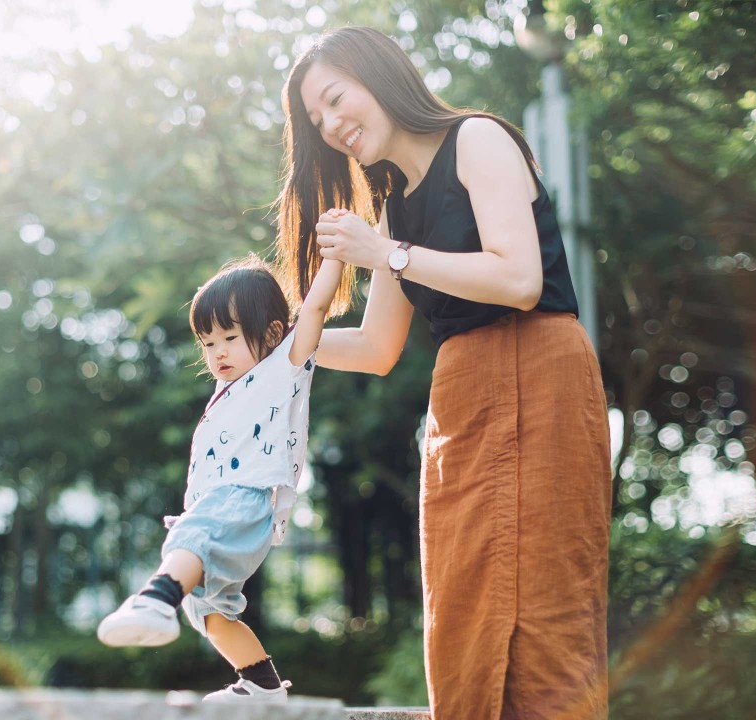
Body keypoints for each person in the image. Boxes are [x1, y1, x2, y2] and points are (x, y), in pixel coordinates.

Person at [276, 27, 612, 720]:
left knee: (546, 607)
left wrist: (386, 253)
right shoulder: (396, 204)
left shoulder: (479, 139)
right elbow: (376, 347)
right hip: (461, 404)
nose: (333, 126)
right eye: (317, 120)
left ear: (381, 77)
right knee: (460, 607)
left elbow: (519, 278)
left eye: (337, 100)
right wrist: (273, 350)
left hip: (540, 374)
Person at [96, 255, 344, 705]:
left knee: (193, 539)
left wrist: (336, 255)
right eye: (208, 343)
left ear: (270, 333)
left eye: (230, 338)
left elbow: (314, 309)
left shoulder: (283, 364)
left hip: (247, 496)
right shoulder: (227, 386)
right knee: (208, 607)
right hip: (220, 500)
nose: (218, 353)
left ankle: (157, 597)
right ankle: (262, 685)